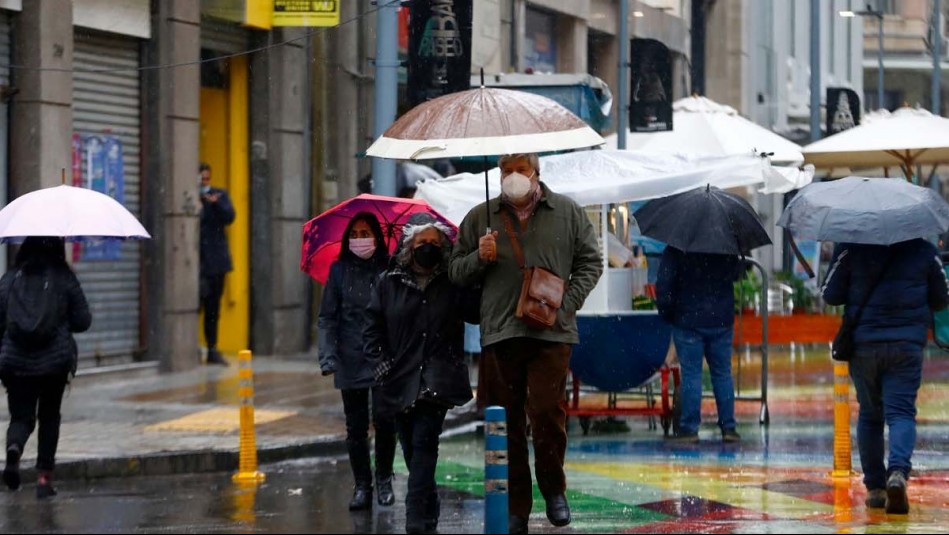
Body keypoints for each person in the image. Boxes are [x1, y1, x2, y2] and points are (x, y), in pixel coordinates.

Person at [449, 153, 602, 534]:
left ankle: (554, 490)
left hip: (552, 332)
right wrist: (478, 258)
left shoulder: (567, 212)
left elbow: (591, 262)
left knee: (548, 412)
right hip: (501, 331)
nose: (513, 177)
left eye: (521, 170)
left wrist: (566, 304)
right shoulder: (479, 217)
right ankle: (517, 505)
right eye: (506, 171)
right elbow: (455, 272)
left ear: (536, 173)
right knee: (508, 420)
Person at [365, 213, 475, 534]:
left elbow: (475, 312)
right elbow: (372, 330)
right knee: (412, 450)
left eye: (433, 242)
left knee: (425, 444)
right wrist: (381, 363)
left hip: (438, 380)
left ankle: (414, 520)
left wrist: (476, 268)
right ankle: (429, 505)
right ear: (408, 245)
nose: (427, 247)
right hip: (399, 379)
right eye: (421, 242)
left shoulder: (453, 282)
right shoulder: (388, 283)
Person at [822, 239, 949, 514]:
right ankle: (898, 473)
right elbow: (941, 299)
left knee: (870, 413)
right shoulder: (925, 250)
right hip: (906, 346)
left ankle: (876, 489)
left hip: (864, 345)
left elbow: (830, 294)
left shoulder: (850, 247)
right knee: (901, 413)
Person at [318, 212, 398, 511]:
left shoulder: (389, 270)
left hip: (382, 358)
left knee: (386, 419)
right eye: (355, 233)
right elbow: (327, 317)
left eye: (366, 233)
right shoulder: (338, 272)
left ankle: (384, 479)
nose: (360, 239)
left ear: (377, 237)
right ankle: (362, 485)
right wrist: (328, 357)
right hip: (349, 358)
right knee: (356, 427)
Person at [0, 237, 91, 498]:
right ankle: (43, 478)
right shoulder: (64, 278)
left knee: (21, 417)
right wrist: (60, 319)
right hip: (54, 364)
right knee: (49, 417)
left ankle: (14, 451)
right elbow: (83, 320)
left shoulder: (10, 279)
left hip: (15, 363)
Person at [656, 246, 742, 444]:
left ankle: (689, 428)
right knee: (722, 373)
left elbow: (664, 284)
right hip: (721, 319)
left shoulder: (677, 246)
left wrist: (667, 312)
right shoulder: (724, 243)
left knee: (691, 374)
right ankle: (728, 427)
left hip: (688, 320)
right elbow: (737, 273)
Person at [198, 163, 235, 366]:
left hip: (216, 263)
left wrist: (214, 203)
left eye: (206, 179)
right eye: (201, 180)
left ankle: (212, 348)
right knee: (197, 306)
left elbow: (230, 216)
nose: (204, 184)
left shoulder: (218, 196)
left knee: (213, 308)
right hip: (198, 264)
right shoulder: (193, 198)